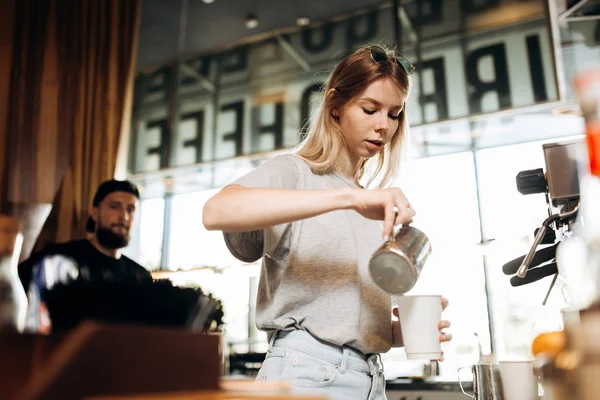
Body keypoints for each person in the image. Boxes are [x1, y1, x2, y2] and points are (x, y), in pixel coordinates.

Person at [202, 44, 452, 399]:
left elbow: (344, 318)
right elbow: (216, 211)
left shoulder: (369, 203)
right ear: (335, 107)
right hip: (308, 372)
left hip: (369, 379)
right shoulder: (295, 172)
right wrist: (351, 197)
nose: (384, 126)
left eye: (394, 114)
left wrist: (397, 333)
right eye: (370, 109)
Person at [18, 179, 152, 332]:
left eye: (130, 209)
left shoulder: (140, 276)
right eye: (115, 207)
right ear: (94, 213)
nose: (124, 217)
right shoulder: (57, 258)